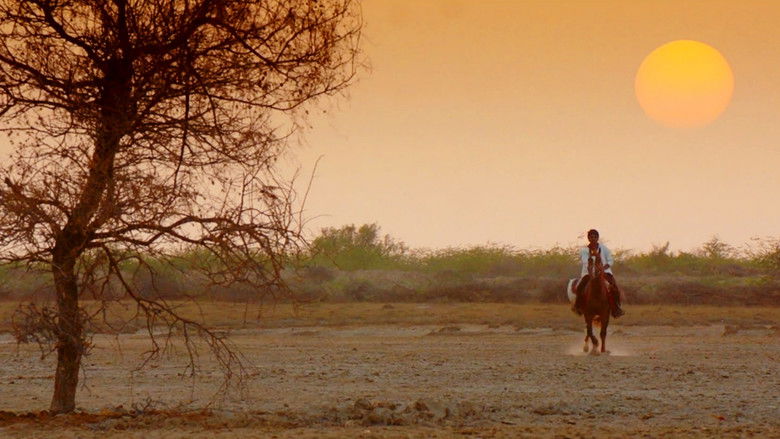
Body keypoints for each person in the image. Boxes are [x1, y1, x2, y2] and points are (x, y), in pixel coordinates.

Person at [572, 229, 625, 318]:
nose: (593, 238)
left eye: (595, 237)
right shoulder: (584, 250)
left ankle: (616, 308)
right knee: (580, 287)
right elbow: (585, 262)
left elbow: (610, 260)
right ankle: (578, 307)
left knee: (614, 288)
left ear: (597, 238)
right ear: (588, 238)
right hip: (588, 273)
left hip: (605, 272)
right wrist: (592, 270)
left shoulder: (604, 248)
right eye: (591, 237)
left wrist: (603, 268)